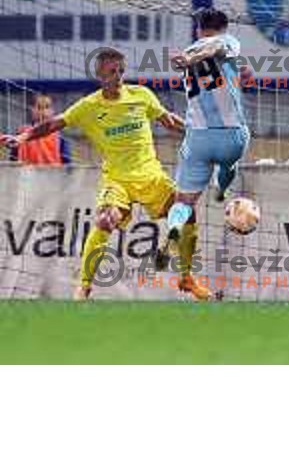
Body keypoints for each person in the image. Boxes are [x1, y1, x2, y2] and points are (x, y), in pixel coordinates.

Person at [0, 48, 212, 302]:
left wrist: (198, 135)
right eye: (112, 72)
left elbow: (168, 120)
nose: (119, 76)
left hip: (151, 176)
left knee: (187, 213)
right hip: (117, 180)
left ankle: (186, 278)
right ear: (100, 74)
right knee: (104, 221)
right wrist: (22, 137)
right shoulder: (88, 106)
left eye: (121, 71)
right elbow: (52, 124)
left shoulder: (141, 95)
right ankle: (84, 288)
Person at [160, 8, 250, 276]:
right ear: (224, 27)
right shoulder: (228, 40)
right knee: (228, 163)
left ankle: (173, 231)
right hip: (230, 134)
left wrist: (189, 57)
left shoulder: (189, 51)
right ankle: (222, 190)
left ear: (199, 29)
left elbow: (213, 73)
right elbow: (219, 47)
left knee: (184, 201)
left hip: (198, 136)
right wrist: (200, 55)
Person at [9, 94, 71, 166]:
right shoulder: (21, 133)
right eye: (39, 107)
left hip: (53, 175)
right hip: (26, 175)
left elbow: (67, 164)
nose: (43, 111)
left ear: (52, 110)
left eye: (47, 107)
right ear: (32, 109)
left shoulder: (59, 137)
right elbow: (13, 160)